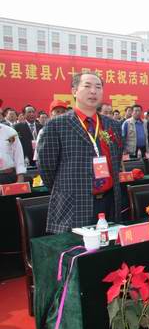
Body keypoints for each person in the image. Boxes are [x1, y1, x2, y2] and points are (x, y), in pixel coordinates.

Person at [38, 72, 123, 233]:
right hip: (74, 203)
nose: (93, 91)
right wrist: (66, 189)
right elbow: (46, 168)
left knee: (108, 253)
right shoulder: (57, 125)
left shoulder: (112, 125)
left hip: (109, 201)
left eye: (98, 87)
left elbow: (116, 160)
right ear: (74, 91)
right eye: (87, 86)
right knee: (76, 253)